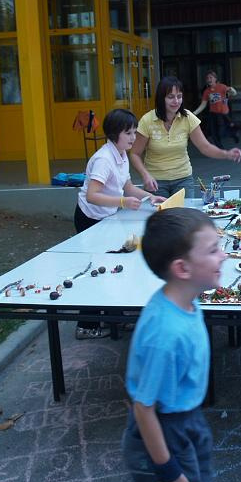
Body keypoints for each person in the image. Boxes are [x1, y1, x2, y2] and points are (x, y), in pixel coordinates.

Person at [121, 208, 223, 482]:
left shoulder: (185, 301)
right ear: (183, 269)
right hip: (165, 433)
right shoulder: (166, 335)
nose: (224, 256)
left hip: (186, 419)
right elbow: (144, 408)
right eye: (213, 250)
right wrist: (167, 470)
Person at [73, 109, 165, 340]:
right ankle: (86, 326)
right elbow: (92, 195)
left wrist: (150, 197)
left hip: (106, 216)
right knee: (96, 269)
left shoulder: (121, 154)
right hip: (89, 218)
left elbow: (127, 187)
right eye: (128, 133)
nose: (134, 137)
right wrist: (123, 202)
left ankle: (116, 316)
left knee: (114, 265)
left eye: (134, 132)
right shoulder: (104, 159)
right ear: (115, 134)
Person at [131, 76, 241, 199]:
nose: (176, 101)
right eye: (170, 97)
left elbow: (205, 147)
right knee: (161, 211)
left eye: (179, 96)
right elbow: (135, 153)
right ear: (161, 98)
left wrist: (227, 154)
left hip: (183, 180)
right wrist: (145, 175)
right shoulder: (147, 120)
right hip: (156, 182)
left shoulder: (188, 118)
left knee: (185, 211)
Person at [192, 70, 239, 148]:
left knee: (223, 131)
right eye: (207, 78)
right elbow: (203, 105)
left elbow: (234, 93)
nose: (209, 79)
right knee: (214, 132)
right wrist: (194, 113)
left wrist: (232, 89)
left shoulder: (222, 87)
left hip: (223, 114)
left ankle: (234, 134)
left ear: (215, 79)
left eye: (211, 77)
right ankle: (220, 149)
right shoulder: (207, 91)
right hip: (213, 114)